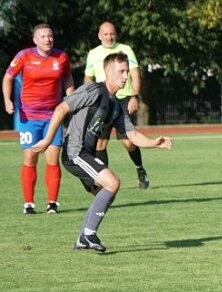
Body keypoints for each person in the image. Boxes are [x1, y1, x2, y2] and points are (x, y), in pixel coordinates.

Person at [31, 52, 172, 252]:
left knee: (106, 192)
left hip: (86, 155)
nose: (125, 76)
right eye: (121, 71)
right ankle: (88, 235)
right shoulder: (94, 90)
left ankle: (84, 237)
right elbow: (62, 108)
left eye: (127, 72)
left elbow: (132, 135)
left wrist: (154, 142)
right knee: (113, 183)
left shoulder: (116, 105)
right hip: (75, 152)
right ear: (107, 71)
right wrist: (47, 139)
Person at [2, 23, 74, 214]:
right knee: (30, 157)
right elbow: (8, 78)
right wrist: (7, 100)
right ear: (35, 40)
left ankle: (52, 203)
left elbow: (67, 78)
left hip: (54, 115)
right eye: (43, 36)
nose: (47, 39)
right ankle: (29, 203)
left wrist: (71, 99)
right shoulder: (24, 56)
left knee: (53, 158)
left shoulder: (62, 57)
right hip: (29, 116)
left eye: (50, 36)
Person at [84, 21, 150, 188]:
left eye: (112, 33)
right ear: (99, 36)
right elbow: (88, 77)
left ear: (116, 34)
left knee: (128, 142)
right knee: (100, 143)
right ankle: (103, 179)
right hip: (102, 101)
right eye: (105, 34)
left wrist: (134, 96)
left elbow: (135, 74)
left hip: (123, 100)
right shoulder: (93, 54)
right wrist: (88, 95)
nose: (109, 37)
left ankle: (139, 168)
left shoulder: (125, 50)